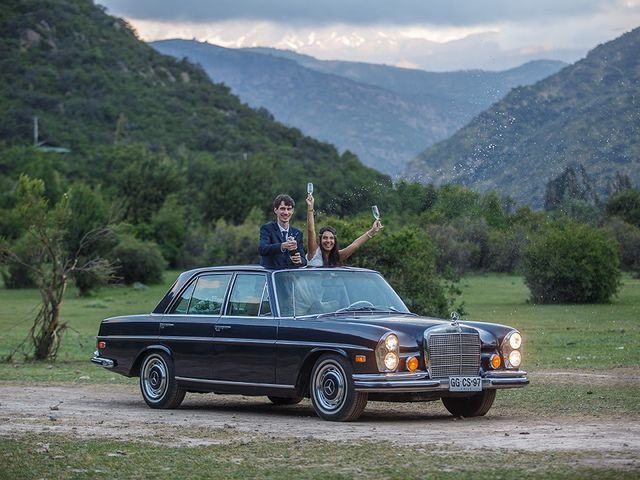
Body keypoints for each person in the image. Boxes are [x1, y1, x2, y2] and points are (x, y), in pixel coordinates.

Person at [305, 193, 383, 267]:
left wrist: (372, 231)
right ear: (320, 239)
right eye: (325, 238)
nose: (328, 241)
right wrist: (310, 207)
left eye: (331, 238)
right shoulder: (314, 251)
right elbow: (310, 230)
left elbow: (355, 245)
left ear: (335, 240)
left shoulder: (337, 256)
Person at [259, 194, 307, 268]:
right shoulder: (267, 229)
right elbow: (263, 249)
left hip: (290, 278)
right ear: (275, 210)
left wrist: (300, 260)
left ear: (293, 211)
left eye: (289, 209)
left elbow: (304, 260)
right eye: (282, 209)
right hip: (271, 277)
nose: (286, 213)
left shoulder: (297, 233)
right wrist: (283, 246)